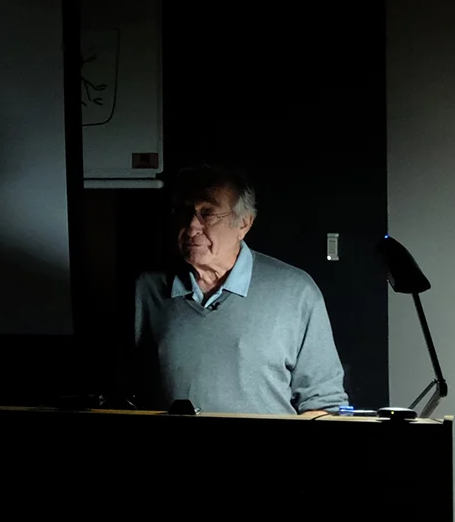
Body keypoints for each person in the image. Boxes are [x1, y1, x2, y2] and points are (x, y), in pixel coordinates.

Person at [133, 165, 348, 414]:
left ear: (244, 224)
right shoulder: (146, 290)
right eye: (184, 212)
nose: (192, 227)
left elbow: (322, 403)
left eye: (208, 213)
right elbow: (126, 391)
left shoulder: (295, 292)